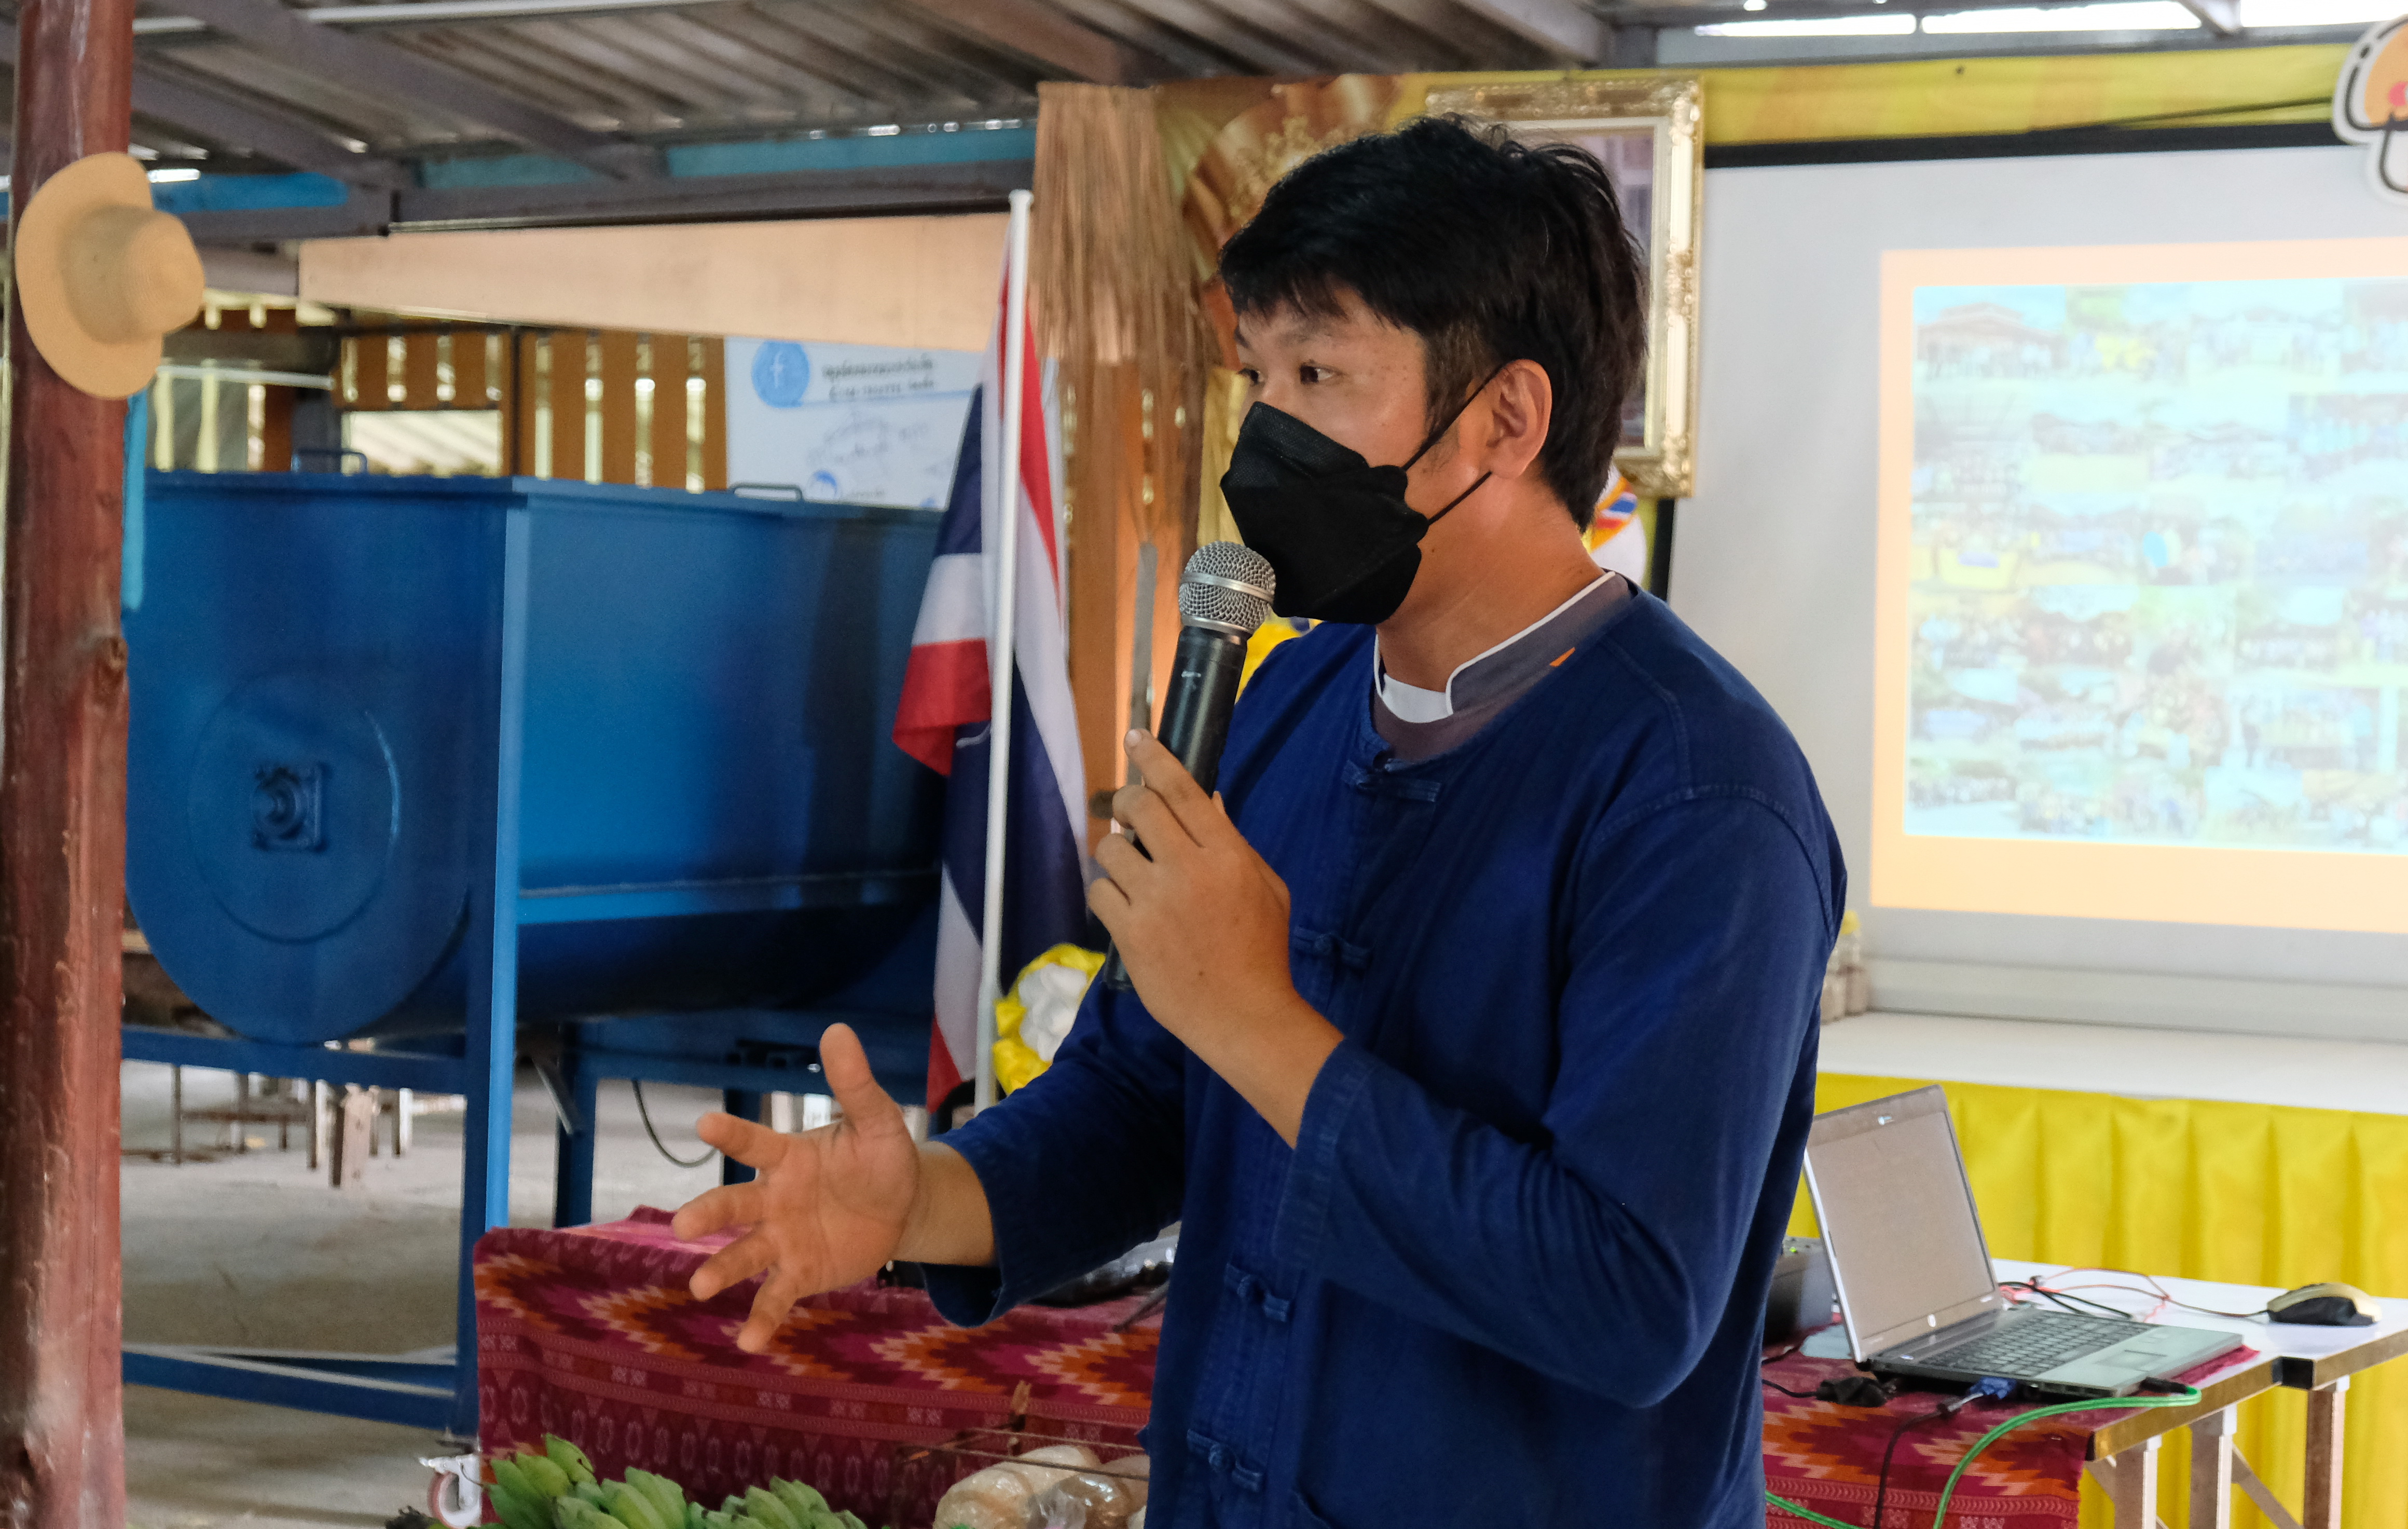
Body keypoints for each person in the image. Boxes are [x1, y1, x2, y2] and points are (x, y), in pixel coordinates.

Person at [675, 117, 1844, 1528]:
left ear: (1506, 421)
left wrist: (1258, 1018)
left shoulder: (1697, 794)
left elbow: (1628, 1298)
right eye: (1259, 378)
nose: (1266, 434)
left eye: (1322, 375)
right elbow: (1139, 1099)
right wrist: (921, 1201)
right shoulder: (1286, 701)